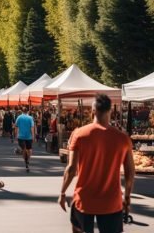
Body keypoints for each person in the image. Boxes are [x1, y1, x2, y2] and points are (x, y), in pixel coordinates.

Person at [58, 94, 135, 233]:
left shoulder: (79, 134)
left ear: (93, 111)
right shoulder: (123, 138)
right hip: (111, 201)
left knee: (78, 229)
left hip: (84, 199)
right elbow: (130, 172)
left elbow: (71, 169)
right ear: (110, 111)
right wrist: (127, 197)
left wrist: (62, 193)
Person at [14, 106, 35, 172]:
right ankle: (28, 159)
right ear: (27, 111)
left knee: (23, 149)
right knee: (29, 149)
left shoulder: (19, 117)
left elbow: (16, 127)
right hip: (29, 136)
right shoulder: (30, 118)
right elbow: (32, 128)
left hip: (21, 136)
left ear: (22, 111)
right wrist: (33, 136)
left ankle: (25, 161)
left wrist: (16, 136)